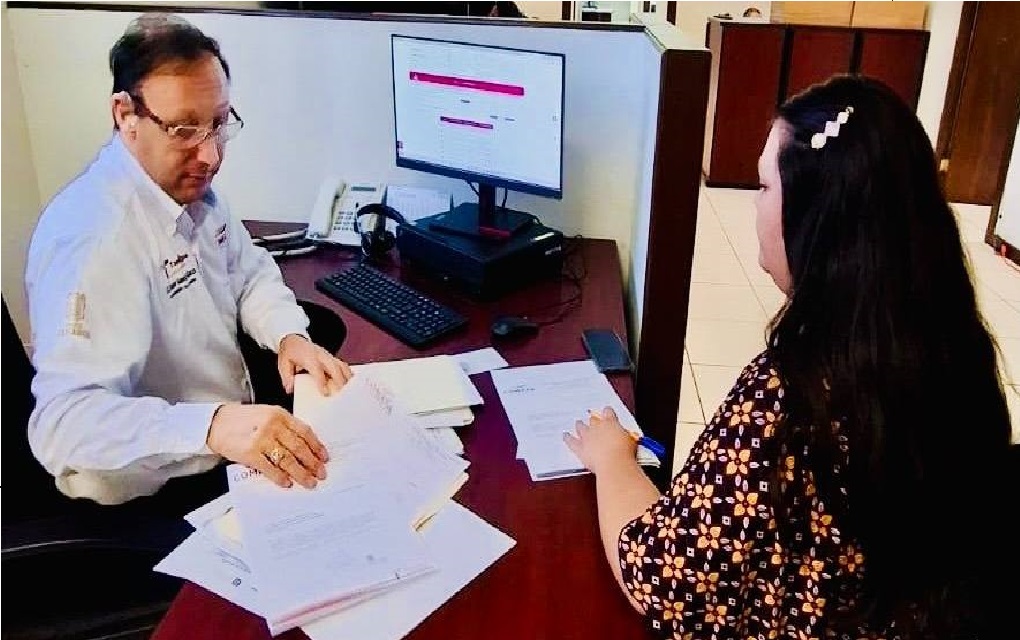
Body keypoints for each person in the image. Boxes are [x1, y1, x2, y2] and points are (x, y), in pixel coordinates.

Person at [565, 75, 1012, 638]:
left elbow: (660, 581)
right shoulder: (958, 350)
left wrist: (612, 459)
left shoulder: (793, 394)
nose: (756, 207)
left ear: (813, 217)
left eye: (763, 186)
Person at [25, 14, 353, 507]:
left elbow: (248, 273)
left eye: (218, 123)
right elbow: (63, 425)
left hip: (223, 444)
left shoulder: (187, 191)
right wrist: (213, 426)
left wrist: (288, 335)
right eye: (183, 129)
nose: (211, 155)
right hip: (155, 493)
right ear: (124, 114)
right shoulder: (94, 239)